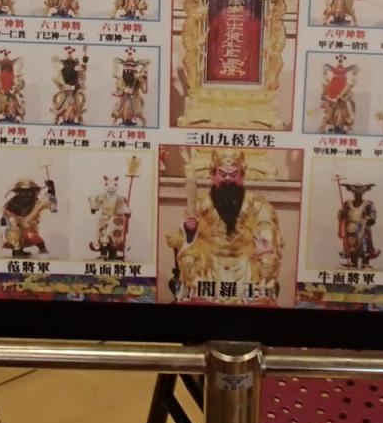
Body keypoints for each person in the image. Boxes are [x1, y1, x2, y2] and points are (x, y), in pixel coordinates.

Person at [166, 149, 283, 302]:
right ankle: (199, 298)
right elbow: (186, 236)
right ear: (212, 175)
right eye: (223, 174)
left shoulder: (256, 203)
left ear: (242, 176)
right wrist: (190, 230)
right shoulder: (200, 204)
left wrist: (265, 240)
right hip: (209, 260)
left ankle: (258, 299)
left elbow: (266, 223)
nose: (228, 179)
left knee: (266, 260)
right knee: (190, 258)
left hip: (245, 259)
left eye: (233, 175)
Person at [0, 176, 57, 257]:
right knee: (15, 235)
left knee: (37, 240)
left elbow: (49, 201)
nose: (26, 195)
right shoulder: (10, 206)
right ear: (18, 193)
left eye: (29, 192)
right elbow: (4, 223)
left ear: (34, 192)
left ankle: (41, 250)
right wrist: (6, 237)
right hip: (14, 233)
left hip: (29, 231)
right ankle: (17, 251)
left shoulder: (37, 203)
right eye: (23, 192)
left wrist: (51, 189)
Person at [337, 182, 379, 267]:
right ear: (353, 193)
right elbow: (341, 213)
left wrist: (371, 219)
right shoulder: (347, 204)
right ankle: (353, 261)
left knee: (364, 244)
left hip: (363, 228)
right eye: (356, 193)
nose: (357, 195)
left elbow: (372, 213)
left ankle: (365, 262)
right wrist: (342, 215)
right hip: (350, 228)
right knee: (351, 244)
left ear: (362, 193)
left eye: (359, 193)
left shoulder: (368, 204)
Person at [89, 175, 131, 260]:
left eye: (114, 185)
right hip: (105, 221)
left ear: (116, 186)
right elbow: (94, 207)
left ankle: (113, 254)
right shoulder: (101, 197)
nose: (111, 188)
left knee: (115, 238)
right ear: (105, 185)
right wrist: (93, 206)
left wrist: (127, 211)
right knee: (104, 236)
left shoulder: (121, 198)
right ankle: (103, 253)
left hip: (116, 221)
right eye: (107, 185)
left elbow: (126, 210)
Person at [320, 55, 357, 133]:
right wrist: (326, 78)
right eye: (339, 60)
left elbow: (355, 67)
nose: (340, 61)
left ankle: (342, 125)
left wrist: (354, 75)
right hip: (333, 87)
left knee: (343, 107)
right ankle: (332, 124)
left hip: (342, 86)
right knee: (331, 106)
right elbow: (325, 67)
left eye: (341, 60)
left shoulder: (345, 70)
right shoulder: (334, 69)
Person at [112, 48, 149, 126]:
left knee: (138, 113)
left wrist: (145, 81)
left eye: (131, 68)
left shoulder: (138, 79)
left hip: (135, 101)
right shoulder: (121, 79)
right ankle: (119, 115)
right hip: (123, 101)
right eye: (127, 68)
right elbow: (118, 90)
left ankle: (136, 118)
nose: (129, 70)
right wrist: (124, 90)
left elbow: (144, 91)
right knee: (117, 113)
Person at [51, 47, 88, 125]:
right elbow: (56, 77)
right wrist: (63, 86)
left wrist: (85, 53)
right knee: (60, 107)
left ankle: (80, 118)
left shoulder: (76, 65)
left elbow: (83, 69)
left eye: (71, 52)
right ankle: (56, 118)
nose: (70, 54)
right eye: (68, 52)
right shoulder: (62, 64)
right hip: (65, 90)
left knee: (77, 108)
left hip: (75, 90)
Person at [0, 50, 25, 122]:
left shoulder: (11, 62)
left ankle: (14, 115)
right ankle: (2, 114)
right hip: (3, 88)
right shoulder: (0, 62)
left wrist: (19, 72)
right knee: (0, 100)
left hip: (10, 88)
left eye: (7, 54)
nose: (6, 56)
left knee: (15, 100)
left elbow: (20, 59)